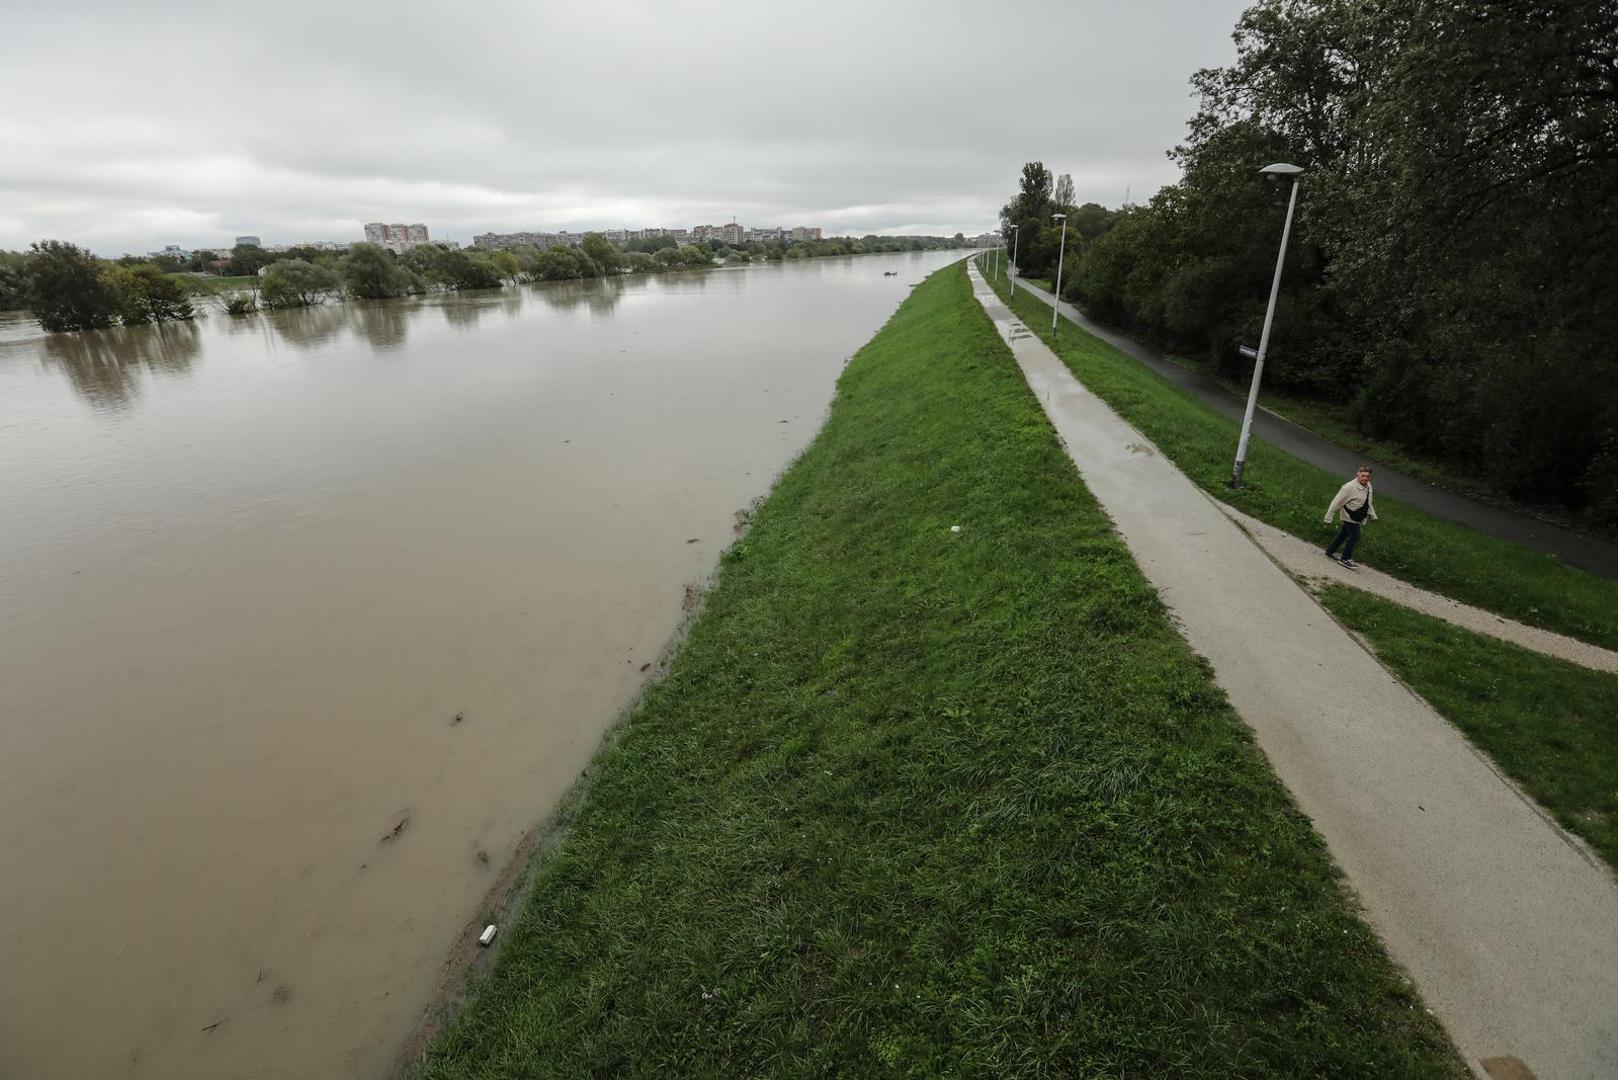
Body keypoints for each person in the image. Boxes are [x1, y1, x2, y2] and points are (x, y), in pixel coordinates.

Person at [1324, 464, 1377, 568]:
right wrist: (1328, 517)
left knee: (1343, 534)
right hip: (1349, 516)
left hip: (1359, 516)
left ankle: (1330, 551)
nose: (1365, 478)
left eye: (1367, 476)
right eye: (1363, 476)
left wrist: (1372, 515)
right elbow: (1336, 502)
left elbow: (1368, 502)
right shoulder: (1348, 487)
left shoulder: (1368, 486)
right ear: (1357, 475)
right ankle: (1345, 559)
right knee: (1355, 536)